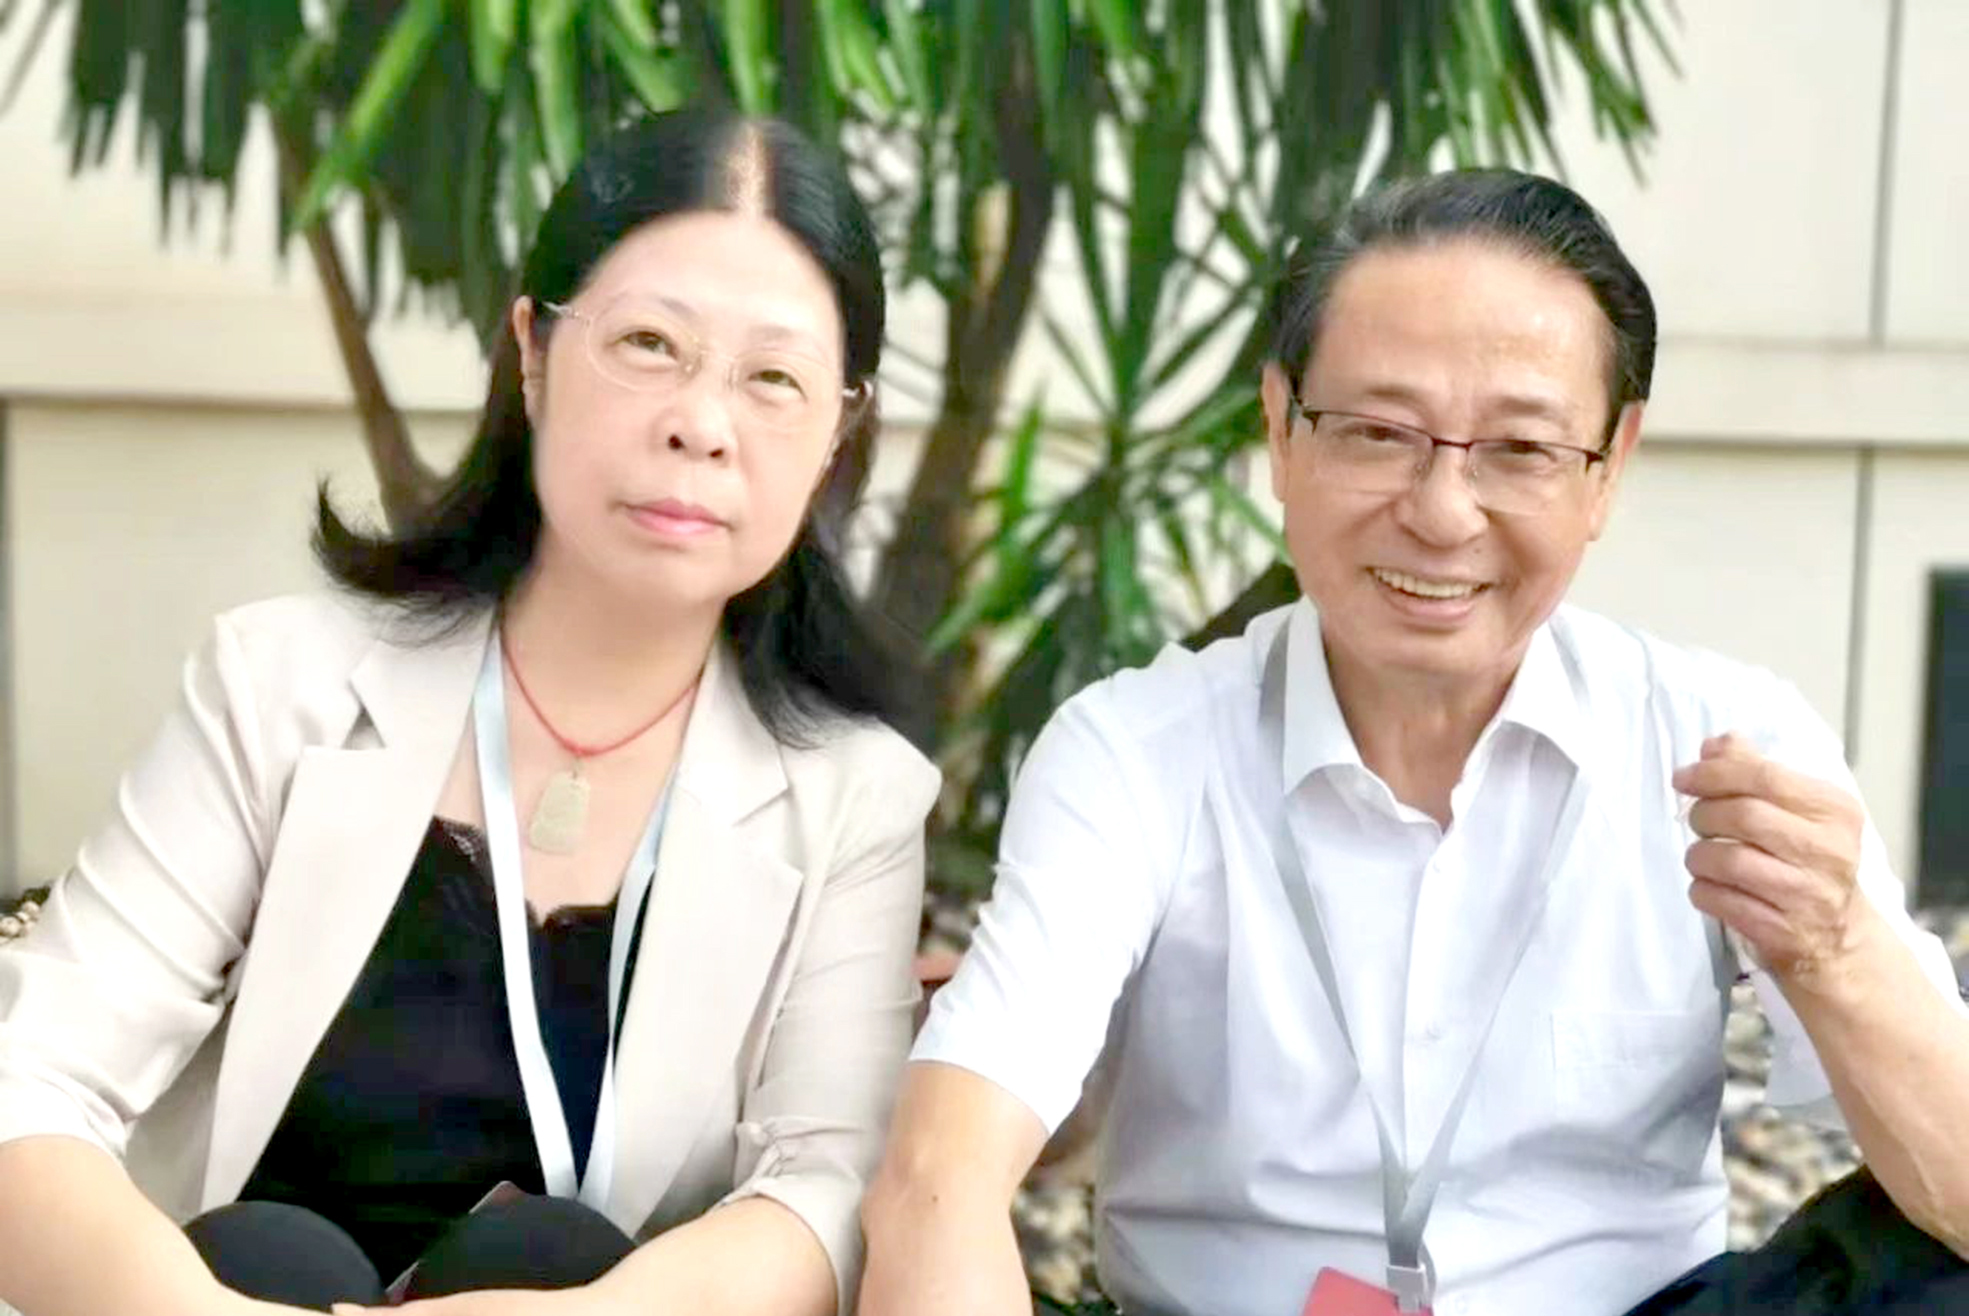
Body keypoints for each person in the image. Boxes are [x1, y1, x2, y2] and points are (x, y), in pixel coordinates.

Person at [858, 170, 1969, 1316]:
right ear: (1280, 429)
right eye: (1379, 433)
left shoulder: (1719, 746)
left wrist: (1833, 946)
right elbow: (938, 1179)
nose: (1441, 512)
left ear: (1609, 466)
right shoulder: (1134, 754)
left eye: (1519, 448)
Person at [0, 107, 938, 1316]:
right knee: (271, 1253)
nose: (701, 424)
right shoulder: (280, 684)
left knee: (551, 1250)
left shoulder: (856, 797)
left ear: (837, 430)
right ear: (533, 352)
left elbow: (827, 1186)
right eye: (650, 343)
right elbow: (31, 1078)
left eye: (773, 378)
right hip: (233, 1298)